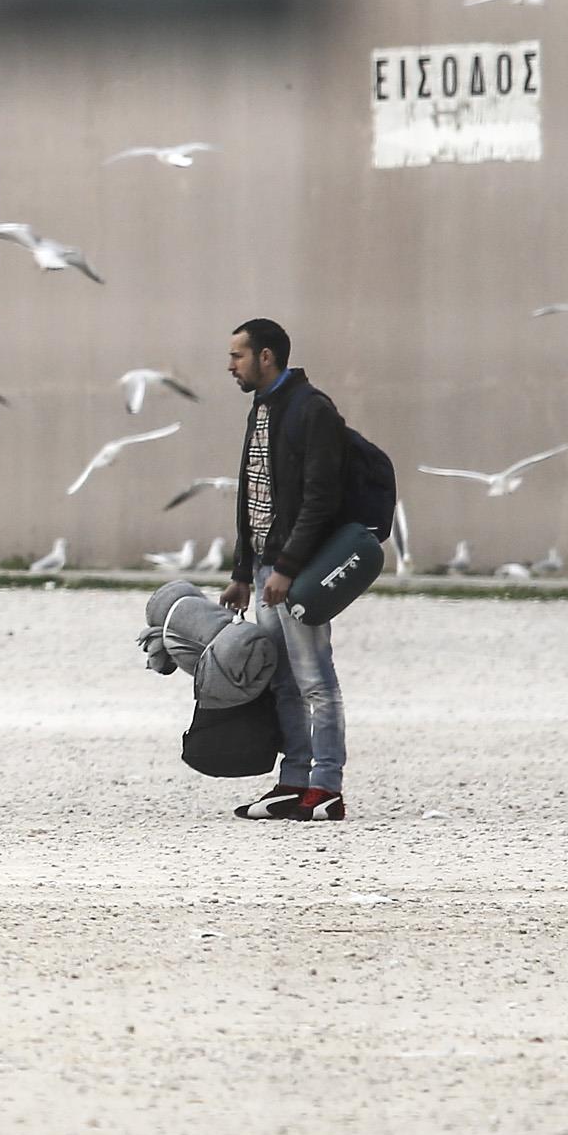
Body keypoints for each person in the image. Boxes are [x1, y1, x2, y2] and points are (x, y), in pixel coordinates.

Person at [220, 317, 353, 821]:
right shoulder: (262, 408)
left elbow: (320, 500)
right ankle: (294, 780)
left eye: (238, 355)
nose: (230, 365)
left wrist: (288, 567)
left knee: (316, 678)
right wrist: (241, 571)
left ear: (266, 356)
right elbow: (252, 494)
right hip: (263, 568)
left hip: (294, 571)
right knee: (282, 681)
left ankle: (327, 786)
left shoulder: (310, 409)